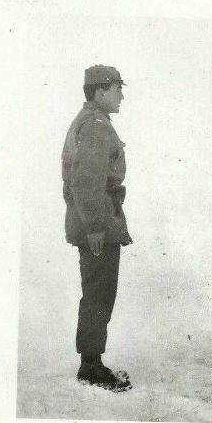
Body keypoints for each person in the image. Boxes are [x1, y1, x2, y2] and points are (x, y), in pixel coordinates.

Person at [61, 65, 133, 392]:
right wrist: (95, 226)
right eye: (118, 89)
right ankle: (90, 366)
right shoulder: (95, 126)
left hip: (97, 220)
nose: (121, 96)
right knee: (99, 293)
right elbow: (87, 181)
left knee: (98, 291)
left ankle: (92, 362)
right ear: (100, 90)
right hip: (98, 223)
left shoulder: (90, 121)